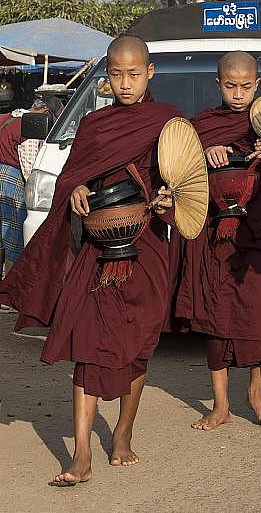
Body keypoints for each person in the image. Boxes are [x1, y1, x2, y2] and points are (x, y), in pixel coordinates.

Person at [0, 36, 180, 485]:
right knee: (88, 343)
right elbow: (73, 178)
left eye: (133, 74)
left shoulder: (168, 123)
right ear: (105, 77)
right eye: (115, 74)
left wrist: (166, 198)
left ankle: (122, 432)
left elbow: (186, 181)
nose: (124, 83)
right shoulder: (95, 124)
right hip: (98, 250)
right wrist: (77, 190)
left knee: (138, 344)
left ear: (150, 73)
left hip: (149, 247)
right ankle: (81, 453)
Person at [176, 51, 261, 430]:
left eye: (245, 86)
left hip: (259, 230)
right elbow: (178, 167)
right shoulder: (201, 126)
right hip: (215, 233)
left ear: (258, 84)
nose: (238, 94)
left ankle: (256, 390)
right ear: (217, 84)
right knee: (217, 311)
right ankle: (220, 403)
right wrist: (203, 155)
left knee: (260, 311)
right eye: (230, 85)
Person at [0, 98, 55, 282]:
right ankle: (9, 287)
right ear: (45, 112)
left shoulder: (7, 117)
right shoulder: (31, 126)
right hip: (10, 179)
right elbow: (29, 167)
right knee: (13, 234)